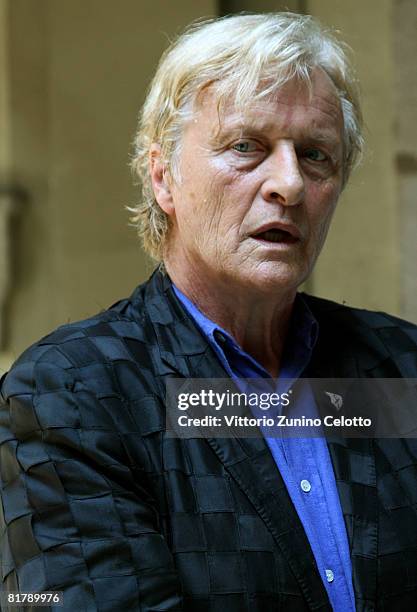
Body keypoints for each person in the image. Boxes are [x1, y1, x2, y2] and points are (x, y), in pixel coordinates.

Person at [1, 11, 417, 612]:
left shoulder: (399, 367)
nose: (290, 184)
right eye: (246, 147)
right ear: (162, 176)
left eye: (316, 154)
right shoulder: (71, 393)